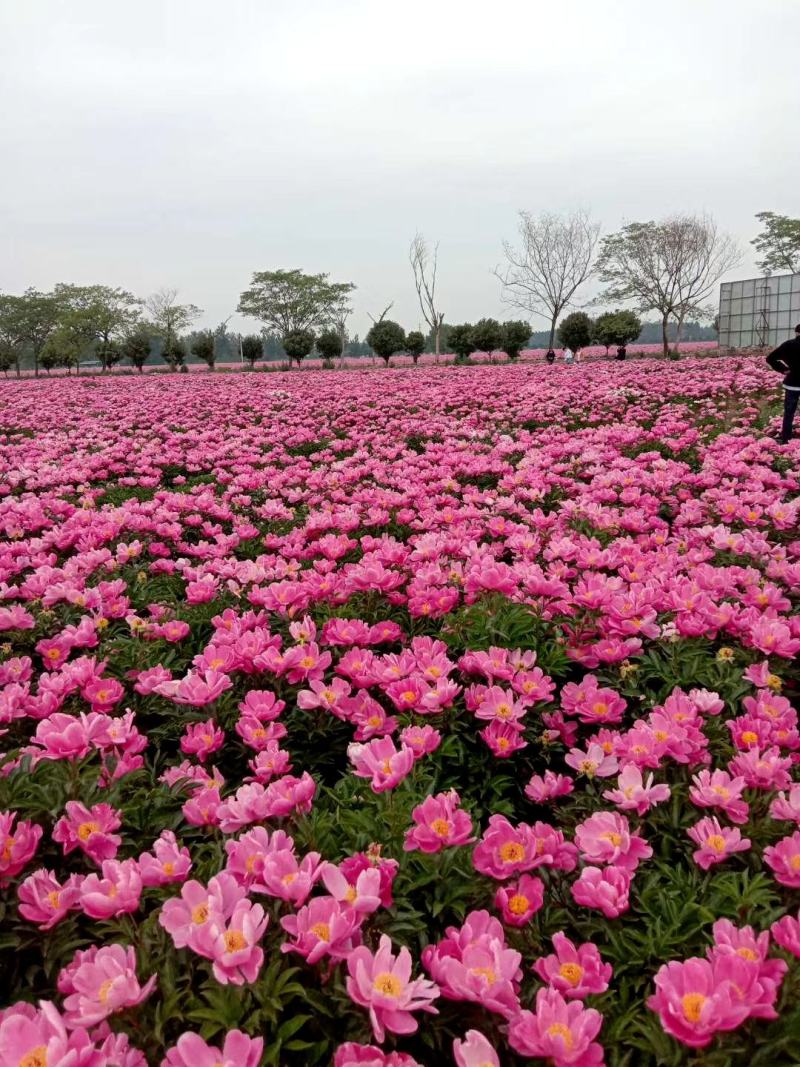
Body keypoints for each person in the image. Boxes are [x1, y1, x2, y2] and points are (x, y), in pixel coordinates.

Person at [766, 324, 800, 444]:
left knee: (789, 413)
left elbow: (770, 358)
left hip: (793, 383)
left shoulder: (789, 345)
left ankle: (786, 439)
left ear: (796, 332)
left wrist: (784, 369)